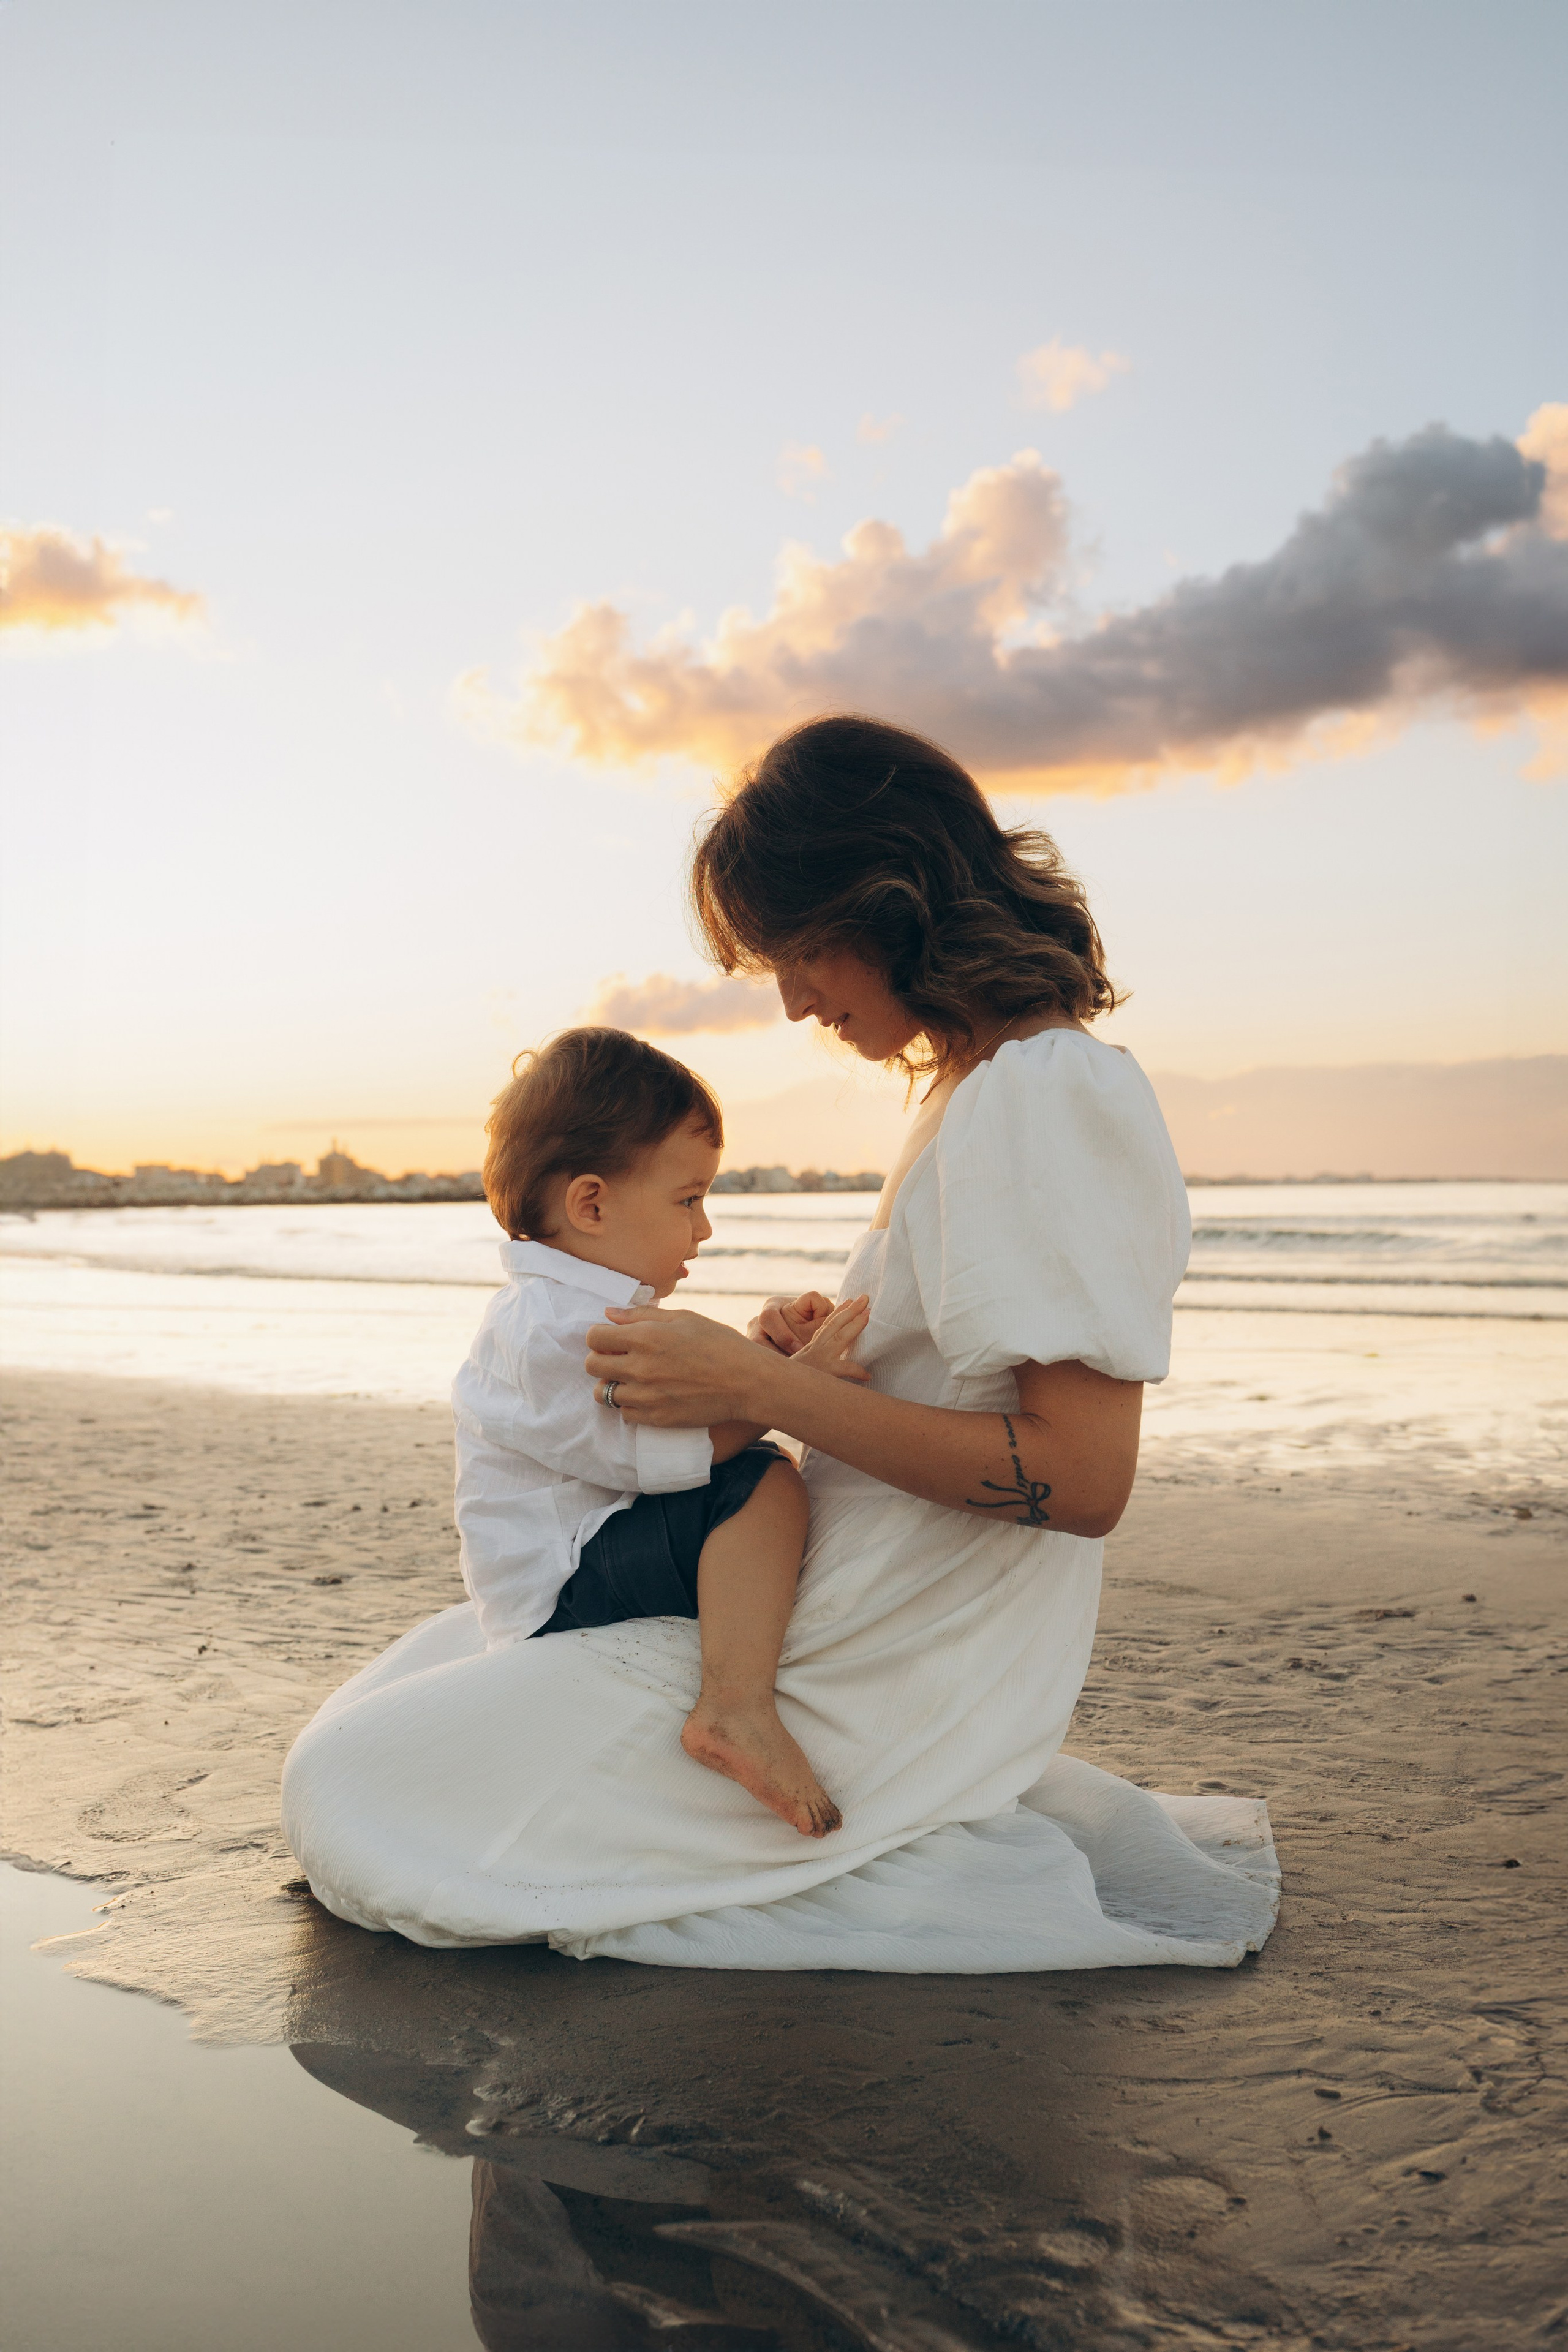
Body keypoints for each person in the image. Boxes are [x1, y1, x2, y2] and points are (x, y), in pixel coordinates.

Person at [282, 715, 1278, 1972]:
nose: (795, 999)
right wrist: (804, 1358)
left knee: (350, 1786)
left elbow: (1079, 1480)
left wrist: (761, 1388)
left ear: (893, 903)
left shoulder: (1045, 1092)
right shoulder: (974, 1093)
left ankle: (772, 1739)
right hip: (812, 1578)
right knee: (420, 1678)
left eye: (803, 951)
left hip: (882, 1657)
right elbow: (936, 1364)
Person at [458, 1025, 869, 1837]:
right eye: (689, 1200)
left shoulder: (581, 1307)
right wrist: (794, 1387)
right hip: (560, 1588)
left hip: (592, 1544)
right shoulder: (556, 1326)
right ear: (592, 1204)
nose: (705, 1227)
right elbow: (669, 1451)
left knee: (753, 1469)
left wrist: (769, 1353)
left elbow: (692, 1401)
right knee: (761, 1480)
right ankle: (733, 1709)